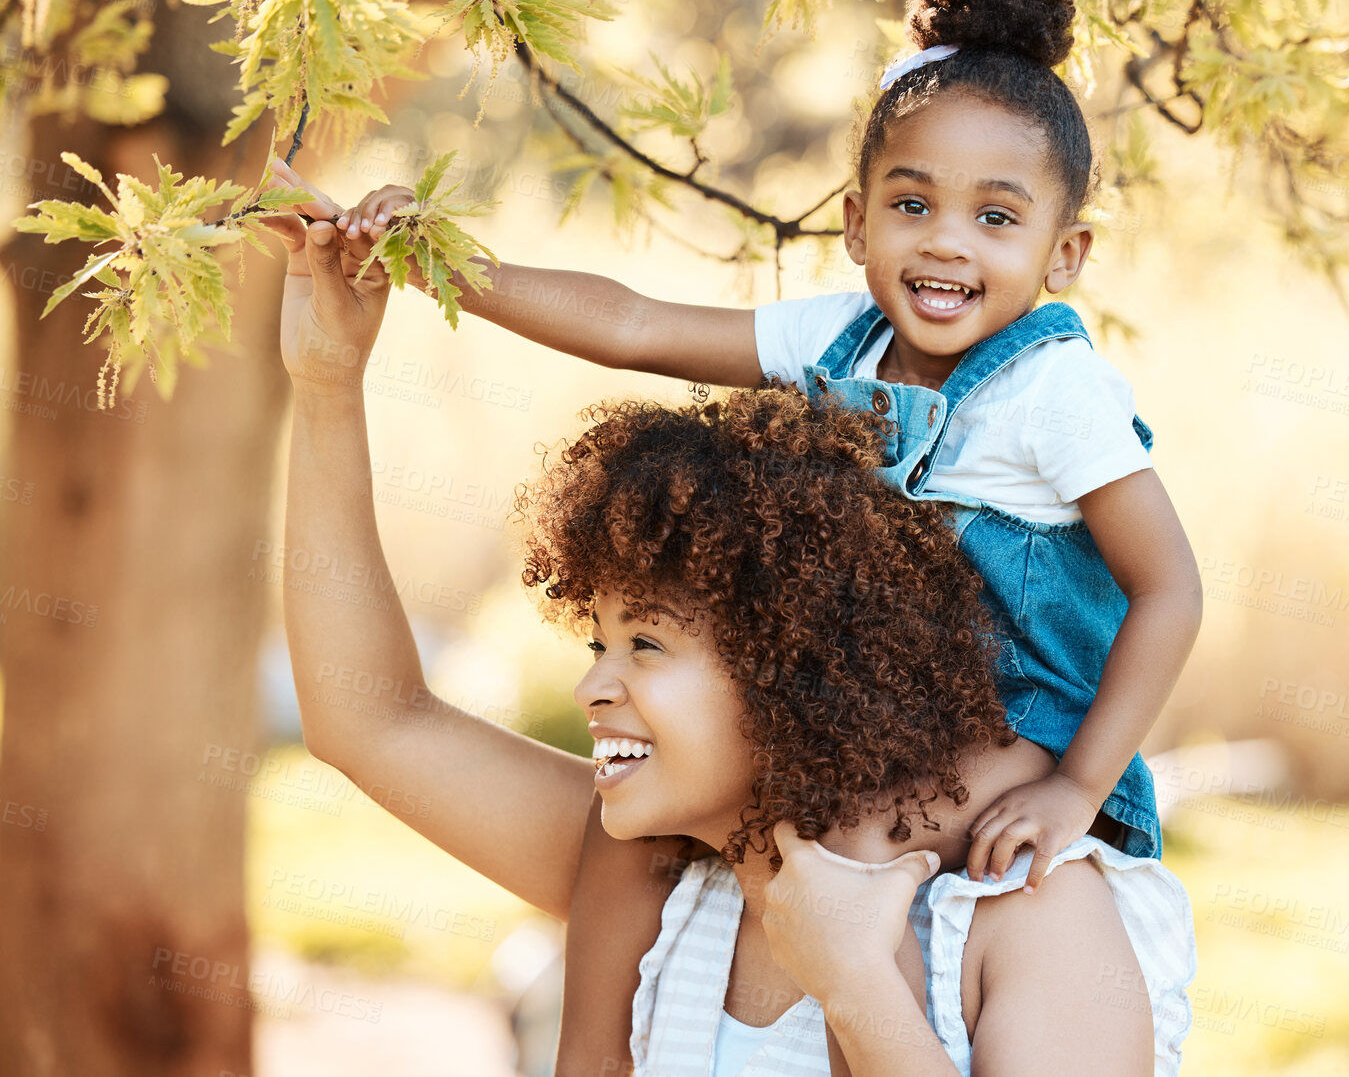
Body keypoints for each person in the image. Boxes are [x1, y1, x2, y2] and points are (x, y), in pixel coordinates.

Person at [325, 0, 1203, 883]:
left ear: (1062, 255)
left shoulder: (1051, 390)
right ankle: (615, 1028)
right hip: (867, 708)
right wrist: (437, 259)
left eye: (995, 218)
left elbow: (1169, 588)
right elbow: (632, 324)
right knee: (666, 833)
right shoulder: (842, 337)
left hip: (1023, 721)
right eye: (912, 206)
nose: (947, 243)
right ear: (857, 223)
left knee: (850, 847)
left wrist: (1075, 785)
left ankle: (875, 1026)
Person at [263, 199, 1198, 1075]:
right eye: (599, 644)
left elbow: (1166, 588)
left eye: (647, 645)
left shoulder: (1022, 911)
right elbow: (367, 718)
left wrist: (856, 983)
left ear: (790, 667)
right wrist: (326, 381)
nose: (594, 688)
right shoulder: (670, 875)